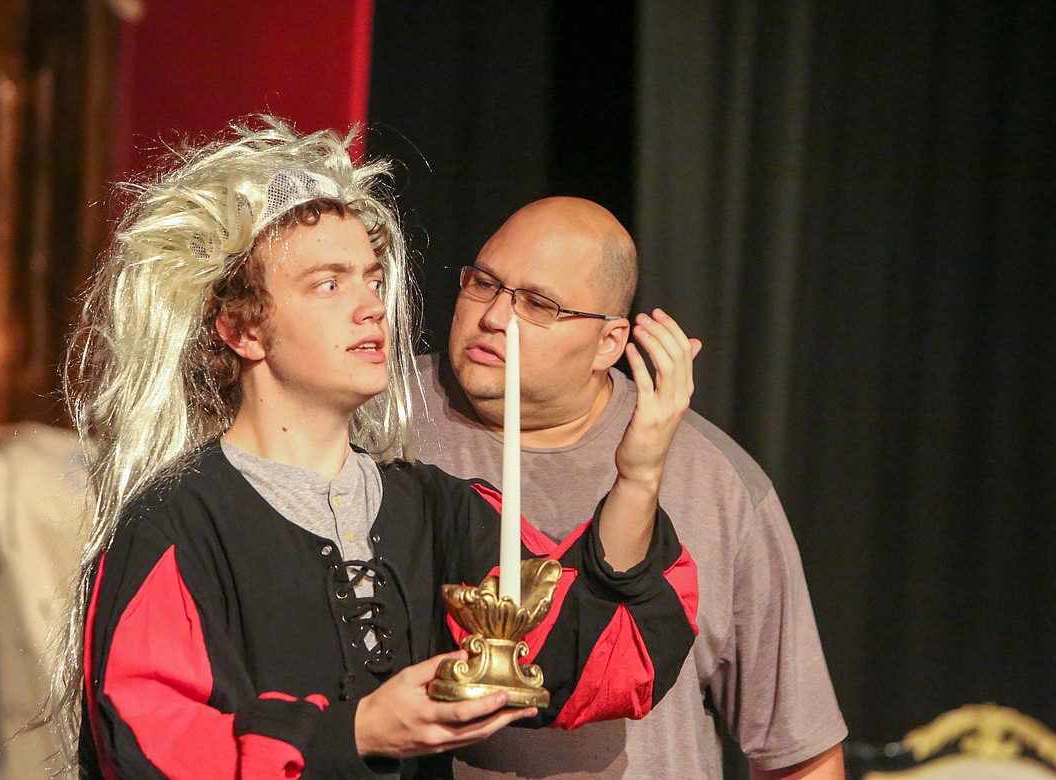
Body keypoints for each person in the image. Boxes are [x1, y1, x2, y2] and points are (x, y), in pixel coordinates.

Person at [46, 121, 701, 779]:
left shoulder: (431, 509)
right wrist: (358, 731)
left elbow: (602, 660)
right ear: (242, 327)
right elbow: (150, 750)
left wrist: (638, 476)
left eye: (370, 278)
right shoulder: (176, 524)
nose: (370, 306)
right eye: (329, 283)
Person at [409, 197, 848, 779]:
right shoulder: (380, 427)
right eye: (483, 283)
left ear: (609, 344)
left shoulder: (714, 480)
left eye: (538, 304)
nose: (493, 317)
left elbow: (799, 753)